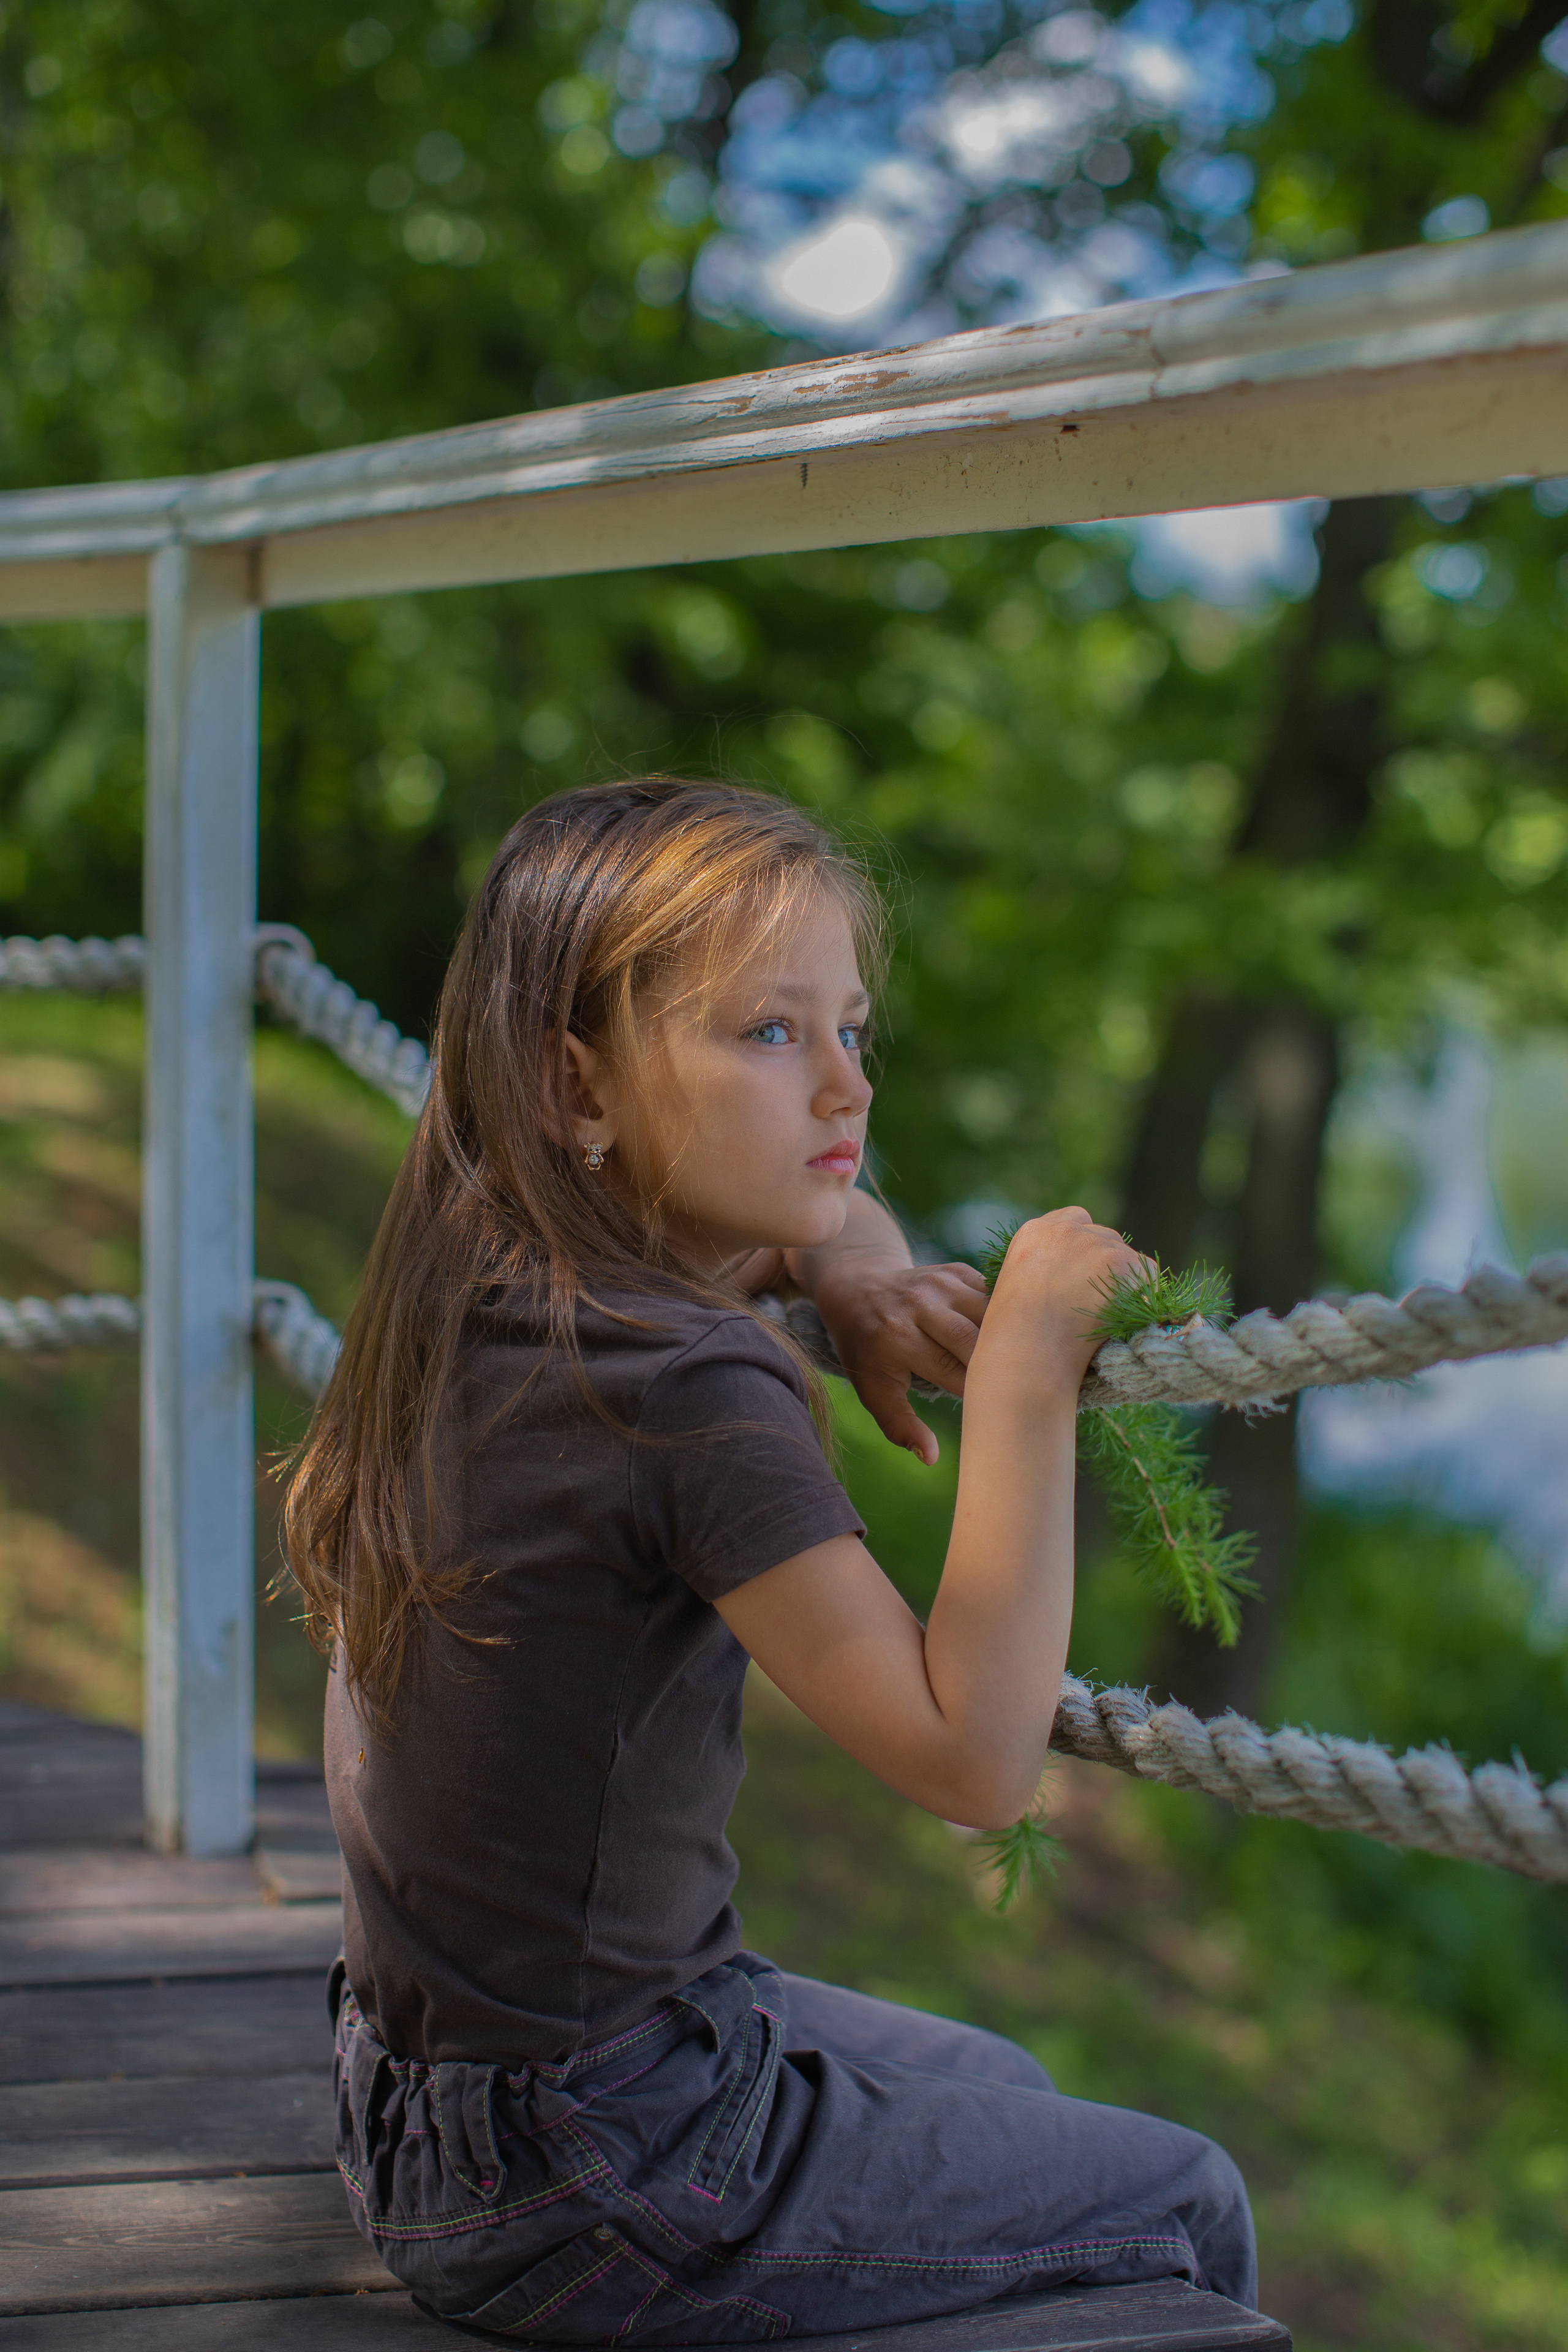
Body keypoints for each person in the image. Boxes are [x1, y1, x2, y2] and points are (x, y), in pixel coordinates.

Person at [286, 778, 1257, 2344]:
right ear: (573, 1085)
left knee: (1001, 2086)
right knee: (1184, 2196)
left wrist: (862, 1273)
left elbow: (808, 1216)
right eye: (767, 1034)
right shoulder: (685, 1384)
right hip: (603, 2162)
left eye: (852, 1031)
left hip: (419, 2113)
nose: (842, 1091)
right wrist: (1021, 1366)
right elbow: (969, 1759)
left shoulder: (487, 1276)